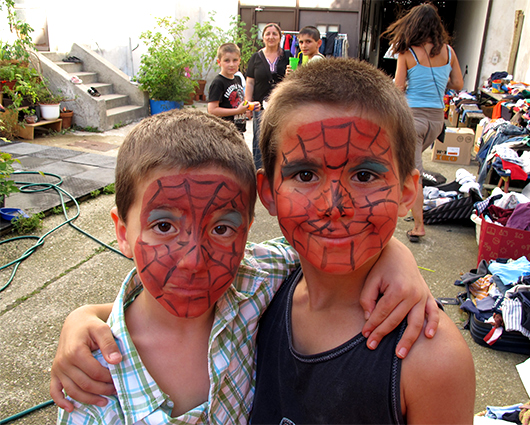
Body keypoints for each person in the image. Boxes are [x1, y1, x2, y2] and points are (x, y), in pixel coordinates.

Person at [51, 109, 441, 420]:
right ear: (122, 232)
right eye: (164, 225)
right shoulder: (92, 380)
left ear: (247, 231)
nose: (193, 260)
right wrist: (81, 315)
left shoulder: (251, 282)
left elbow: (323, 242)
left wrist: (394, 253)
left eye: (222, 228)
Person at [250, 58, 475, 423]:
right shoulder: (254, 299)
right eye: (305, 174)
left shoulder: (431, 361)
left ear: (406, 192)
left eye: (365, 175)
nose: (333, 206)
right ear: (269, 192)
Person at [382, 3, 464, 243]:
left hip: (412, 118)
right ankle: (408, 206)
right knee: (411, 164)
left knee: (412, 170)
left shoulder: (407, 53)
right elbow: (458, 84)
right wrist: (439, 84)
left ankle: (419, 226)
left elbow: (398, 88)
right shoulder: (449, 52)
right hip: (437, 120)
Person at [245, 23, 290, 169]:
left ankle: (279, 171)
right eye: (268, 34)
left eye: (274, 34)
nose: (271, 37)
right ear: (263, 38)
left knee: (281, 138)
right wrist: (248, 104)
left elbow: (295, 81)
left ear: (280, 37)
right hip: (260, 106)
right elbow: (250, 82)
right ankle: (260, 172)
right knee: (260, 140)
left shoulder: (288, 56)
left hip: (282, 106)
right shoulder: (256, 57)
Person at [207, 42, 259, 134]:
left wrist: (249, 106)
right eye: (227, 60)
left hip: (238, 131)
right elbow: (212, 110)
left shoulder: (237, 79)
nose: (231, 64)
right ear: (219, 62)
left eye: (235, 60)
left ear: (239, 61)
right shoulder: (218, 82)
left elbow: (238, 102)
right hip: (224, 133)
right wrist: (237, 111)